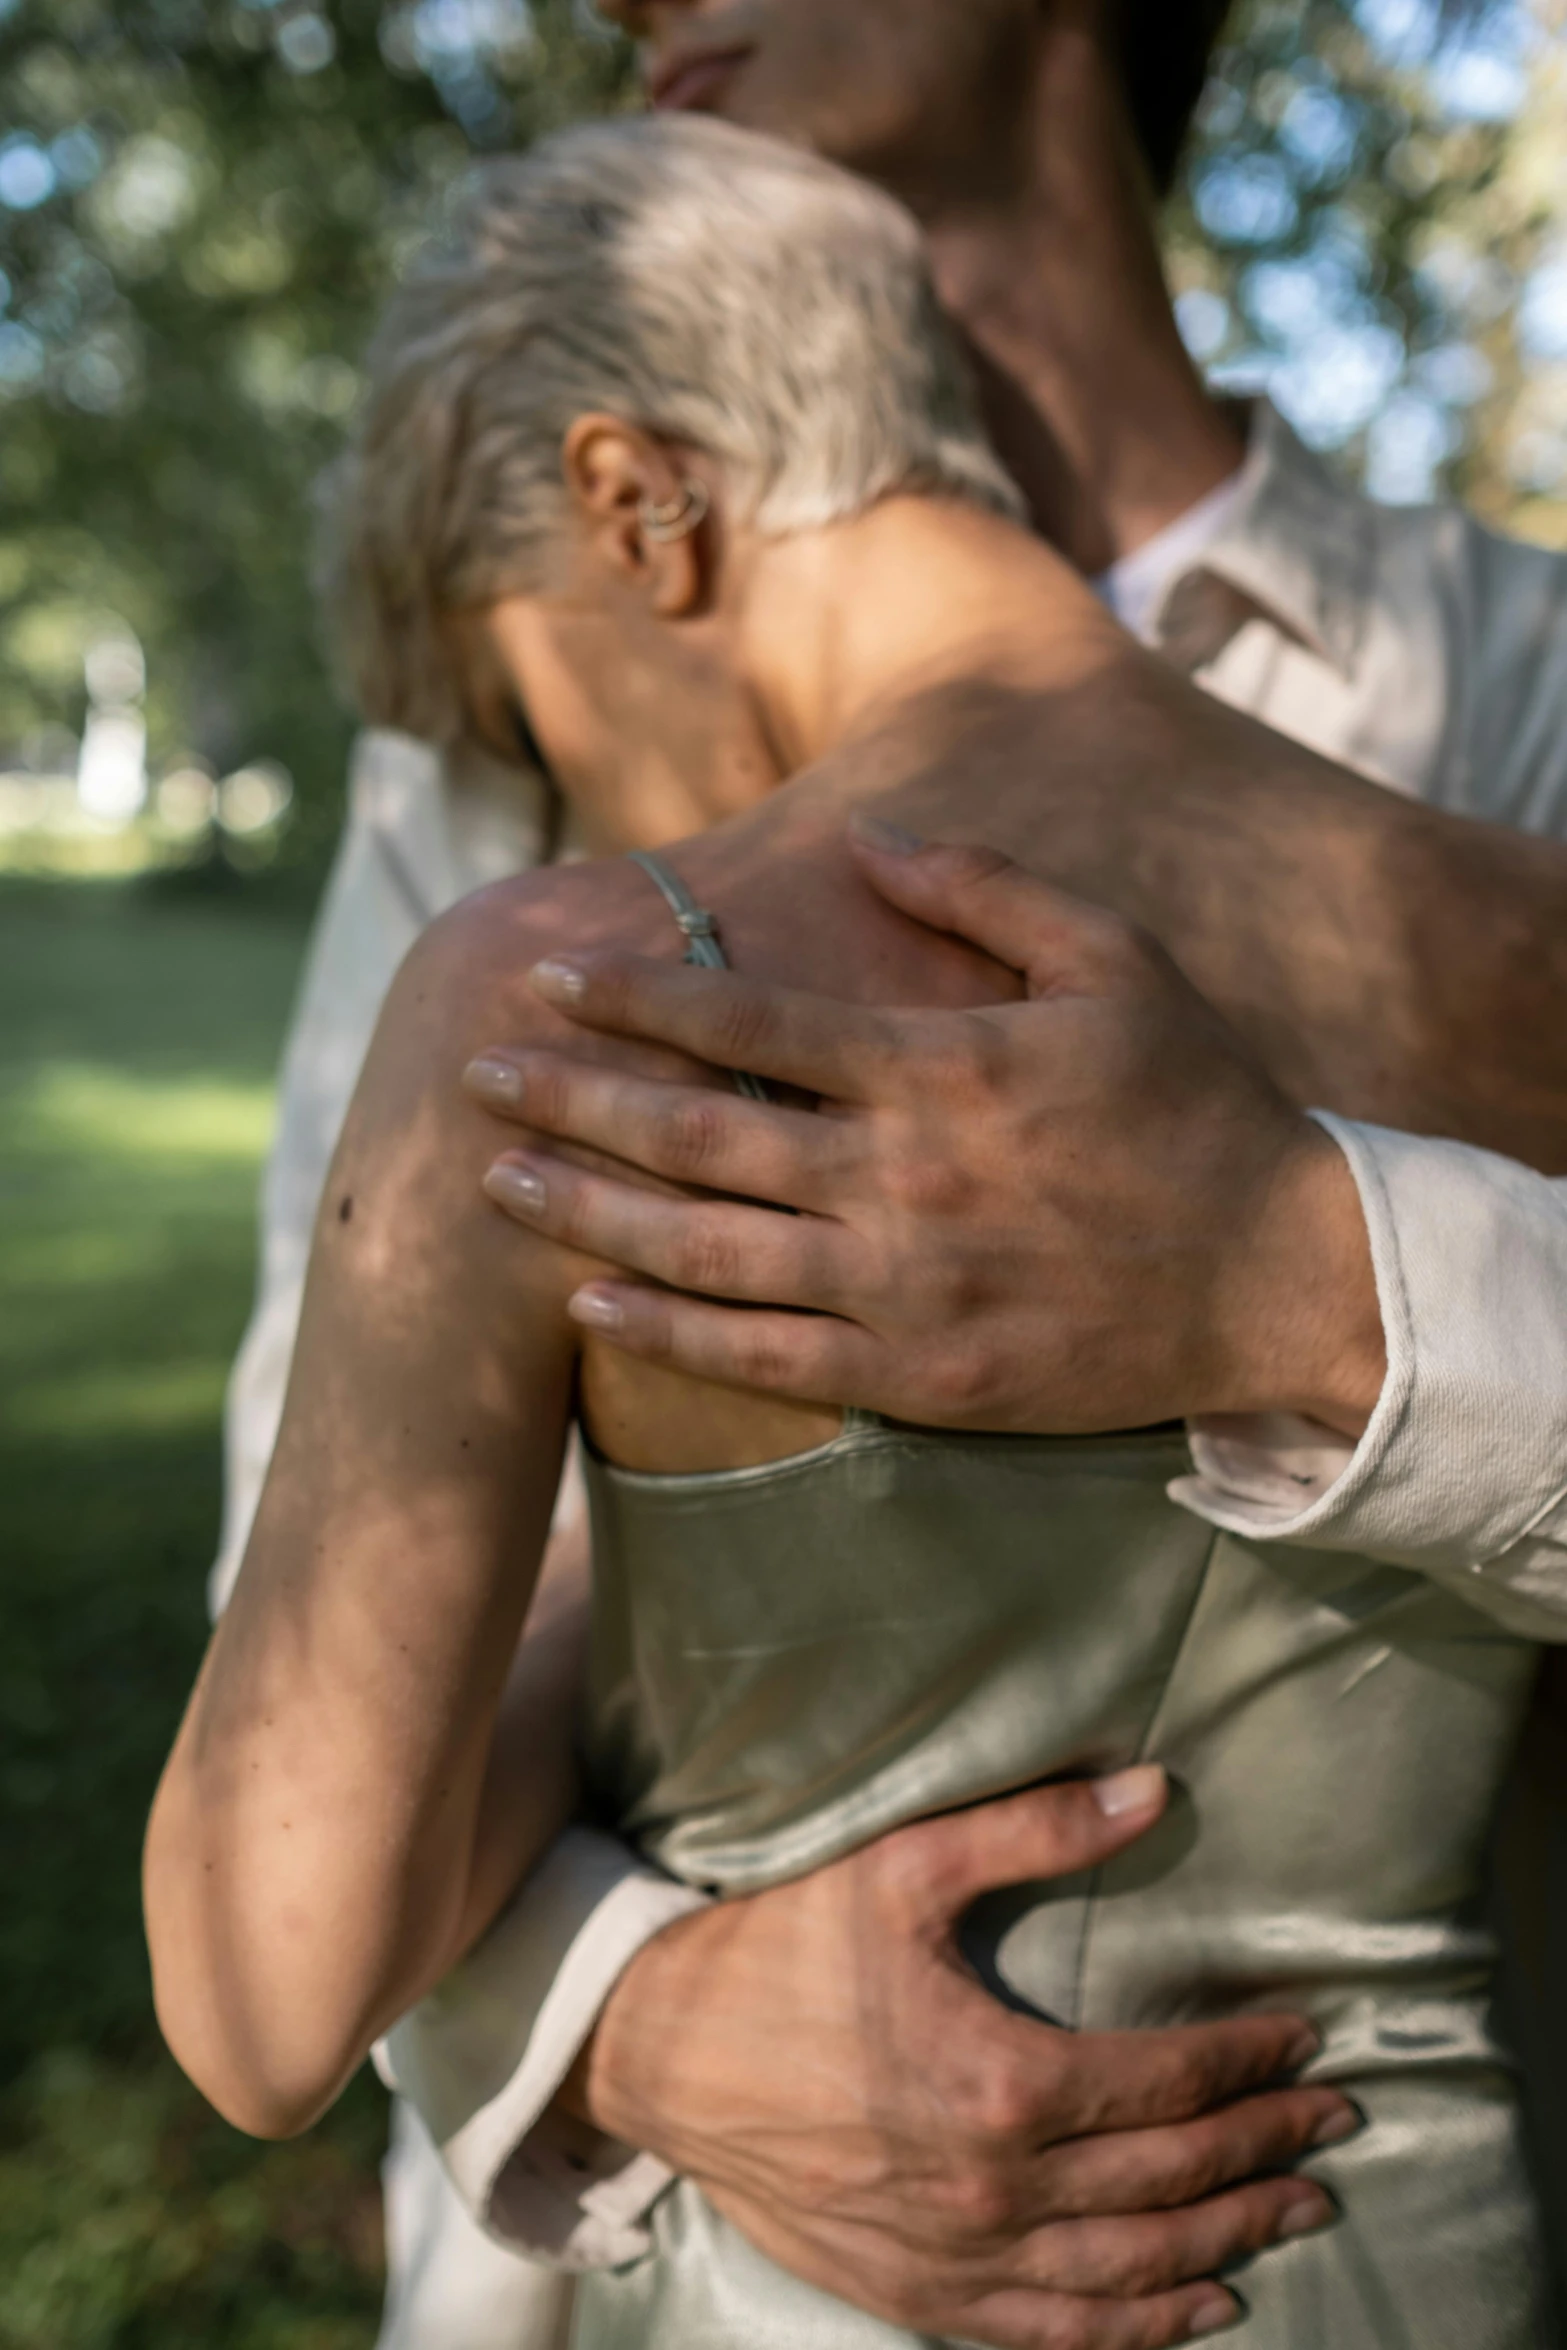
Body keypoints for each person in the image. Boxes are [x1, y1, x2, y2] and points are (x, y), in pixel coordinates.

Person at [207, 4, 1567, 2344]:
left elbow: (256, 1975)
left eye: (539, 714)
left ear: (640, 502)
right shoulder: (1509, 924)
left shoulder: (561, 983)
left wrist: (1291, 1276)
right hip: (1410, 2253)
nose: (588, 806)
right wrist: (622, 2003)